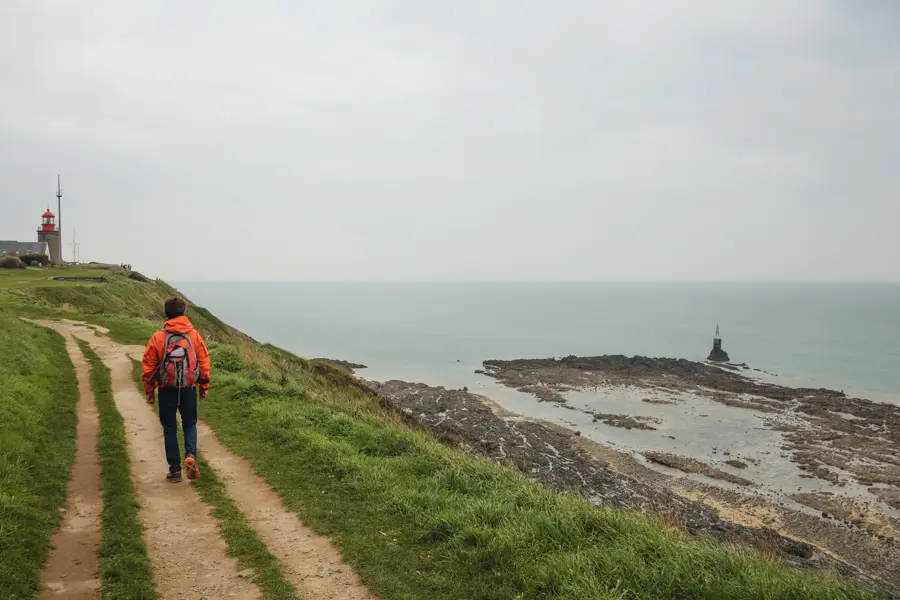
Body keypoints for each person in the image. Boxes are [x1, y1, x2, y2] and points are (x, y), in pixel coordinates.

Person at [142, 296, 211, 482]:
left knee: (170, 428)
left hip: (167, 389)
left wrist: (149, 391)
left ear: (166, 314)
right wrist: (203, 385)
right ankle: (190, 455)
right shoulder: (194, 335)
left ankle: (175, 470)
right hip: (188, 388)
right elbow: (203, 361)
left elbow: (149, 366)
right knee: (189, 424)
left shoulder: (158, 337)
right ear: (184, 313)